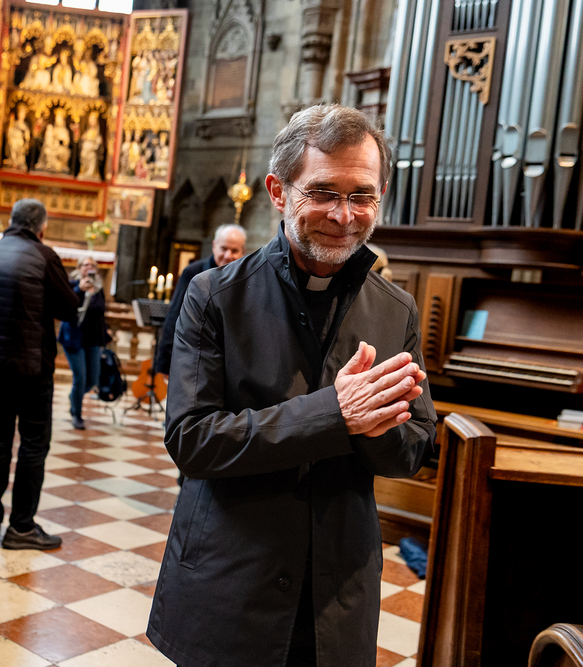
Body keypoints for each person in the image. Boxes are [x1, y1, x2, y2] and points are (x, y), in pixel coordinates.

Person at [146, 104, 436, 667]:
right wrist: (335, 414)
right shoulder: (214, 296)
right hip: (231, 580)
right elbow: (191, 439)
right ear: (278, 191)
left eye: (362, 196)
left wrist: (376, 426)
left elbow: (414, 449)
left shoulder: (396, 310)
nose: (344, 215)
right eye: (323, 192)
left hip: (336, 591)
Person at [0, 198, 78, 549]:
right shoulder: (43, 255)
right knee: (33, 444)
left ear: (11, 220)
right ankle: (21, 527)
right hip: (31, 367)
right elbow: (69, 308)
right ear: (41, 227)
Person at [153, 223, 246, 376]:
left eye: (235, 250)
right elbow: (175, 316)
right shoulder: (193, 273)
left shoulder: (247, 277)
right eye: (224, 248)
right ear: (214, 246)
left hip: (231, 364)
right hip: (195, 358)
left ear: (243, 251)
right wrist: (165, 362)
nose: (228, 255)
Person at [58, 256, 107, 430]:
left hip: (92, 339)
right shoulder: (71, 285)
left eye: (93, 265)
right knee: (80, 378)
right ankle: (76, 414)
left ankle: (74, 397)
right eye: (86, 264)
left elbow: (101, 312)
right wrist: (80, 289)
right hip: (73, 337)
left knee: (92, 379)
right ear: (79, 268)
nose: (89, 267)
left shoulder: (99, 288)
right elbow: (66, 306)